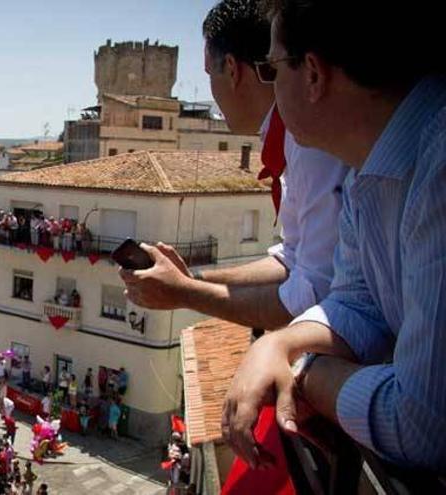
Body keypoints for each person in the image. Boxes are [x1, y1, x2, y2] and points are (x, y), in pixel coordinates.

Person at [222, 0, 446, 472]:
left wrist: (307, 374)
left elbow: (423, 423)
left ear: (314, 74)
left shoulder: (438, 169)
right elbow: (357, 302)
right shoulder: (371, 169)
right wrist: (277, 345)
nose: (273, 87)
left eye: (274, 67)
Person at [120, 0, 347, 332]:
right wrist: (194, 279)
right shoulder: (290, 140)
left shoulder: (308, 143)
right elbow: (293, 261)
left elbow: (311, 294)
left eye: (210, 74)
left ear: (231, 68)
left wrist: (186, 293)